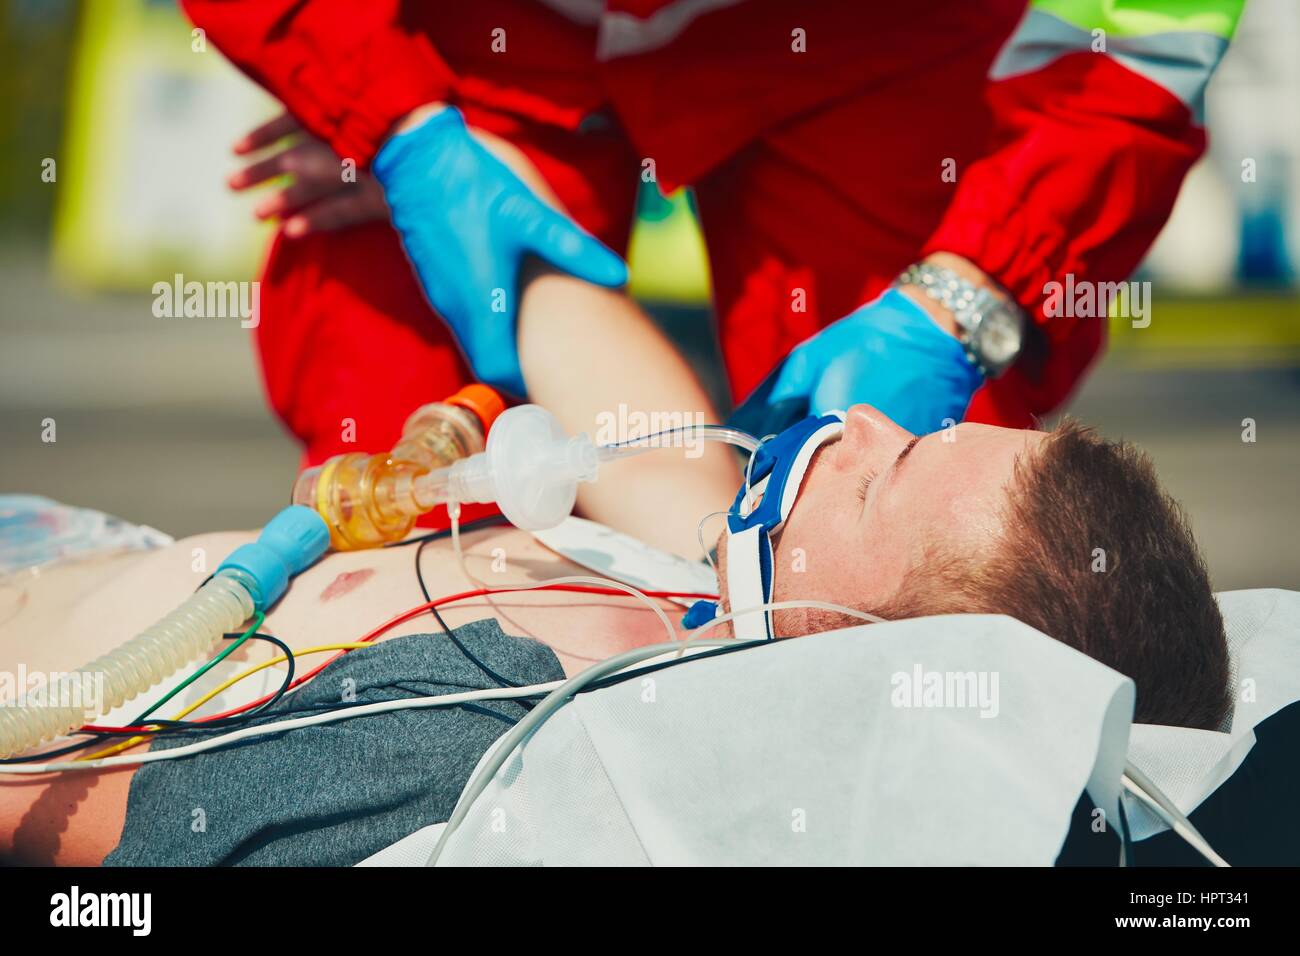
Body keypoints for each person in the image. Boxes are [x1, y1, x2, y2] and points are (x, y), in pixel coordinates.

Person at [0, 401, 1230, 865]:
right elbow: (608, 388)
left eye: (882, 469)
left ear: (867, 655)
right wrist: (426, 144)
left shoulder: (483, 731)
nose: (852, 418)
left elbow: (62, 811)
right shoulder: (695, 593)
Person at [186, 0, 1245, 462]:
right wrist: (392, 109)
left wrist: (973, 286)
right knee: (402, 479)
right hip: (485, 25)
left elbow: (1146, 27)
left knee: (936, 517)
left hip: (864, 27)